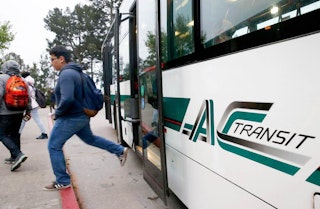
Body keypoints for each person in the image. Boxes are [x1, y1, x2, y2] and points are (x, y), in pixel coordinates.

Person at [44, 45, 128, 191]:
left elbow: (68, 98)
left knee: (53, 146)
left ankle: (62, 181)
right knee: (90, 139)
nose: (51, 63)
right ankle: (119, 150)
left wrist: (57, 113)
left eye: (52, 60)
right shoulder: (77, 73)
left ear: (61, 59)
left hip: (70, 117)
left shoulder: (66, 74)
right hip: (81, 116)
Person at [0, 60, 30, 171]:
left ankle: (18, 154)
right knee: (14, 134)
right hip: (19, 111)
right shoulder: (22, 80)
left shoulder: (2, 78)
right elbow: (28, 97)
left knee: (1, 134)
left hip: (5, 112)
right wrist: (28, 111)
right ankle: (14, 157)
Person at [19, 72, 48, 139]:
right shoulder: (31, 83)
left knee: (31, 119)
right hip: (33, 104)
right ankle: (18, 133)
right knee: (25, 119)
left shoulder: (27, 84)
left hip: (30, 104)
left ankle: (44, 133)